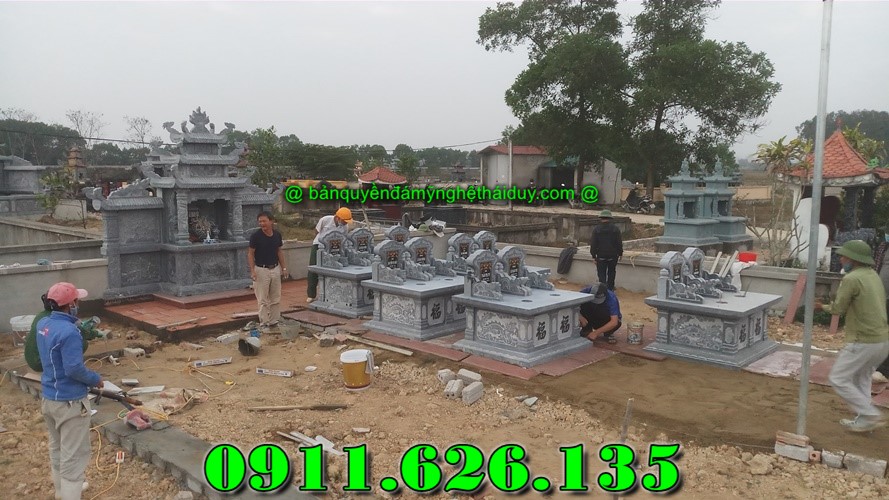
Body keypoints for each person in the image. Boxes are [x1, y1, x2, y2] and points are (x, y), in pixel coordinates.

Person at [37, 282, 104, 500]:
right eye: (77, 301)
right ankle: (70, 494)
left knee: (57, 448)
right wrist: (95, 379)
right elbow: (74, 368)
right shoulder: (69, 332)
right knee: (74, 456)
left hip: (49, 397)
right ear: (70, 304)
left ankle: (61, 492)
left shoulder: (43, 324)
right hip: (70, 402)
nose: (79, 304)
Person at [815, 240, 889, 432]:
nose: (841, 259)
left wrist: (821, 306)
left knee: (838, 378)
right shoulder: (872, 275)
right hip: (881, 340)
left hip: (862, 340)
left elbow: (838, 308)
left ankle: (870, 414)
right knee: (861, 378)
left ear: (854, 259)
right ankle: (865, 420)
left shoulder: (852, 279)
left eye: (843, 256)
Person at [25, 292, 98, 372]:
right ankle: (65, 368)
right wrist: (95, 333)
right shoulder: (62, 321)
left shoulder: (41, 316)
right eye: (75, 302)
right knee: (82, 343)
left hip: (32, 358)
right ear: (68, 304)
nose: (76, 306)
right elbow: (79, 334)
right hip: (42, 363)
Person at [247, 211, 289, 327]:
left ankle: (274, 320)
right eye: (260, 221)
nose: (262, 224)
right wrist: (252, 270)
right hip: (261, 269)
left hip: (275, 268)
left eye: (264, 221)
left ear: (271, 221)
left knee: (275, 297)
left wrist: (284, 267)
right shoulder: (255, 236)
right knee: (262, 299)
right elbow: (250, 253)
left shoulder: (277, 235)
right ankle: (264, 322)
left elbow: (279, 251)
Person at [306, 207, 353, 303]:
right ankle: (311, 294)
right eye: (344, 221)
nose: (345, 223)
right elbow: (316, 231)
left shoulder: (345, 227)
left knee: (331, 269)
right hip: (319, 246)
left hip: (334, 248)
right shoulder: (325, 220)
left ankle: (329, 293)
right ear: (338, 218)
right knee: (313, 269)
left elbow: (343, 238)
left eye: (346, 221)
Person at [589, 210, 623, 291]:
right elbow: (619, 243)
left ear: (601, 218)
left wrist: (593, 256)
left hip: (601, 255)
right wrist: (620, 253)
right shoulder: (615, 229)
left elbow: (593, 243)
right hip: (613, 255)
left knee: (601, 274)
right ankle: (610, 289)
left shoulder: (596, 229)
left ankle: (603, 290)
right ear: (610, 218)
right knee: (611, 272)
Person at [873, 232, 889, 383]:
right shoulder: (883, 247)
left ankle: (884, 369)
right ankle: (882, 368)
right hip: (883, 298)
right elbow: (876, 269)